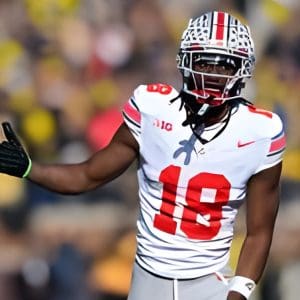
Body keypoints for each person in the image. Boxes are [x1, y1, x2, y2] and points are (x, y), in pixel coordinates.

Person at [0, 11, 286, 300]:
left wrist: (238, 293)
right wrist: (29, 168)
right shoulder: (153, 109)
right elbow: (87, 175)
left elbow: (259, 231)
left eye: (225, 66)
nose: (213, 74)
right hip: (149, 277)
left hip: (209, 281)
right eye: (204, 62)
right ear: (186, 62)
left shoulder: (260, 131)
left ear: (242, 69)